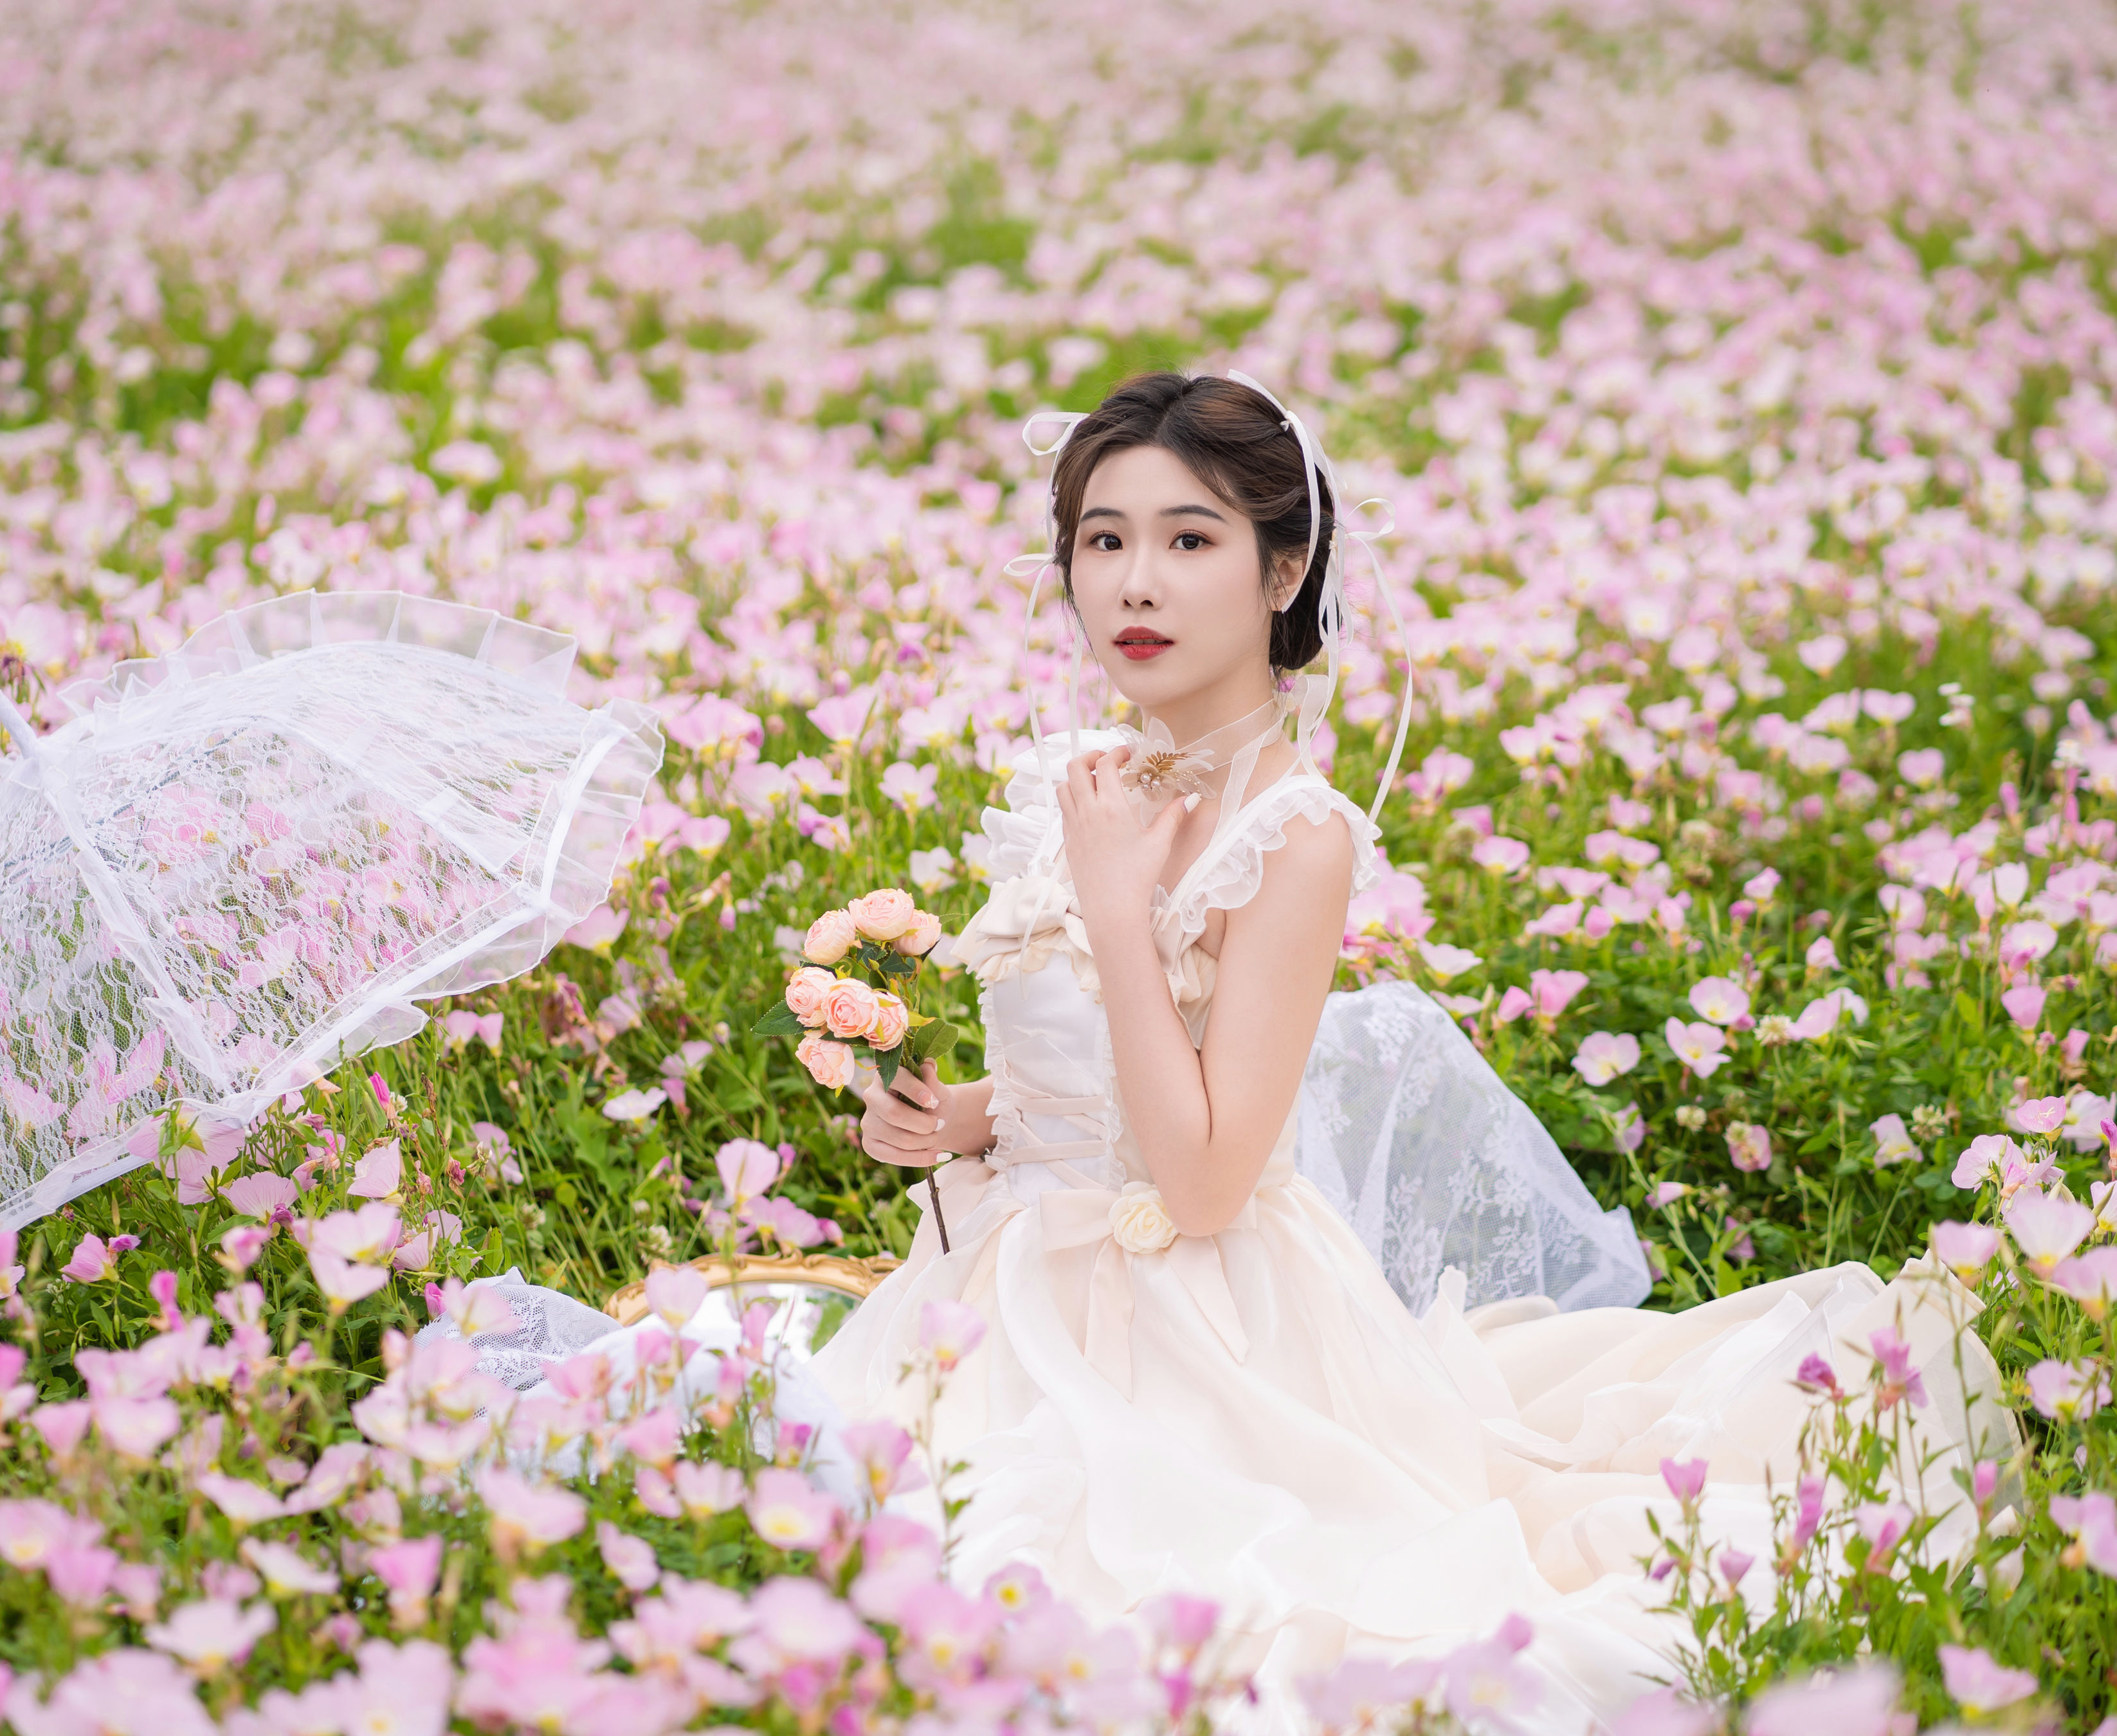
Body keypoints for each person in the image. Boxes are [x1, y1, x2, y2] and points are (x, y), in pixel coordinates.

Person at [806, 372, 2008, 1730]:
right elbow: (1085, 1084)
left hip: (1196, 1338)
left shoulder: (1294, 833)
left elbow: (1201, 1183)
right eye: (1103, 537)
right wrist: (963, 1113)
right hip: (991, 1287)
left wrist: (1115, 909)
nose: (1134, 582)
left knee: (1132, 1616)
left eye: (1189, 539)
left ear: (1284, 567)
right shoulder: (1082, 786)